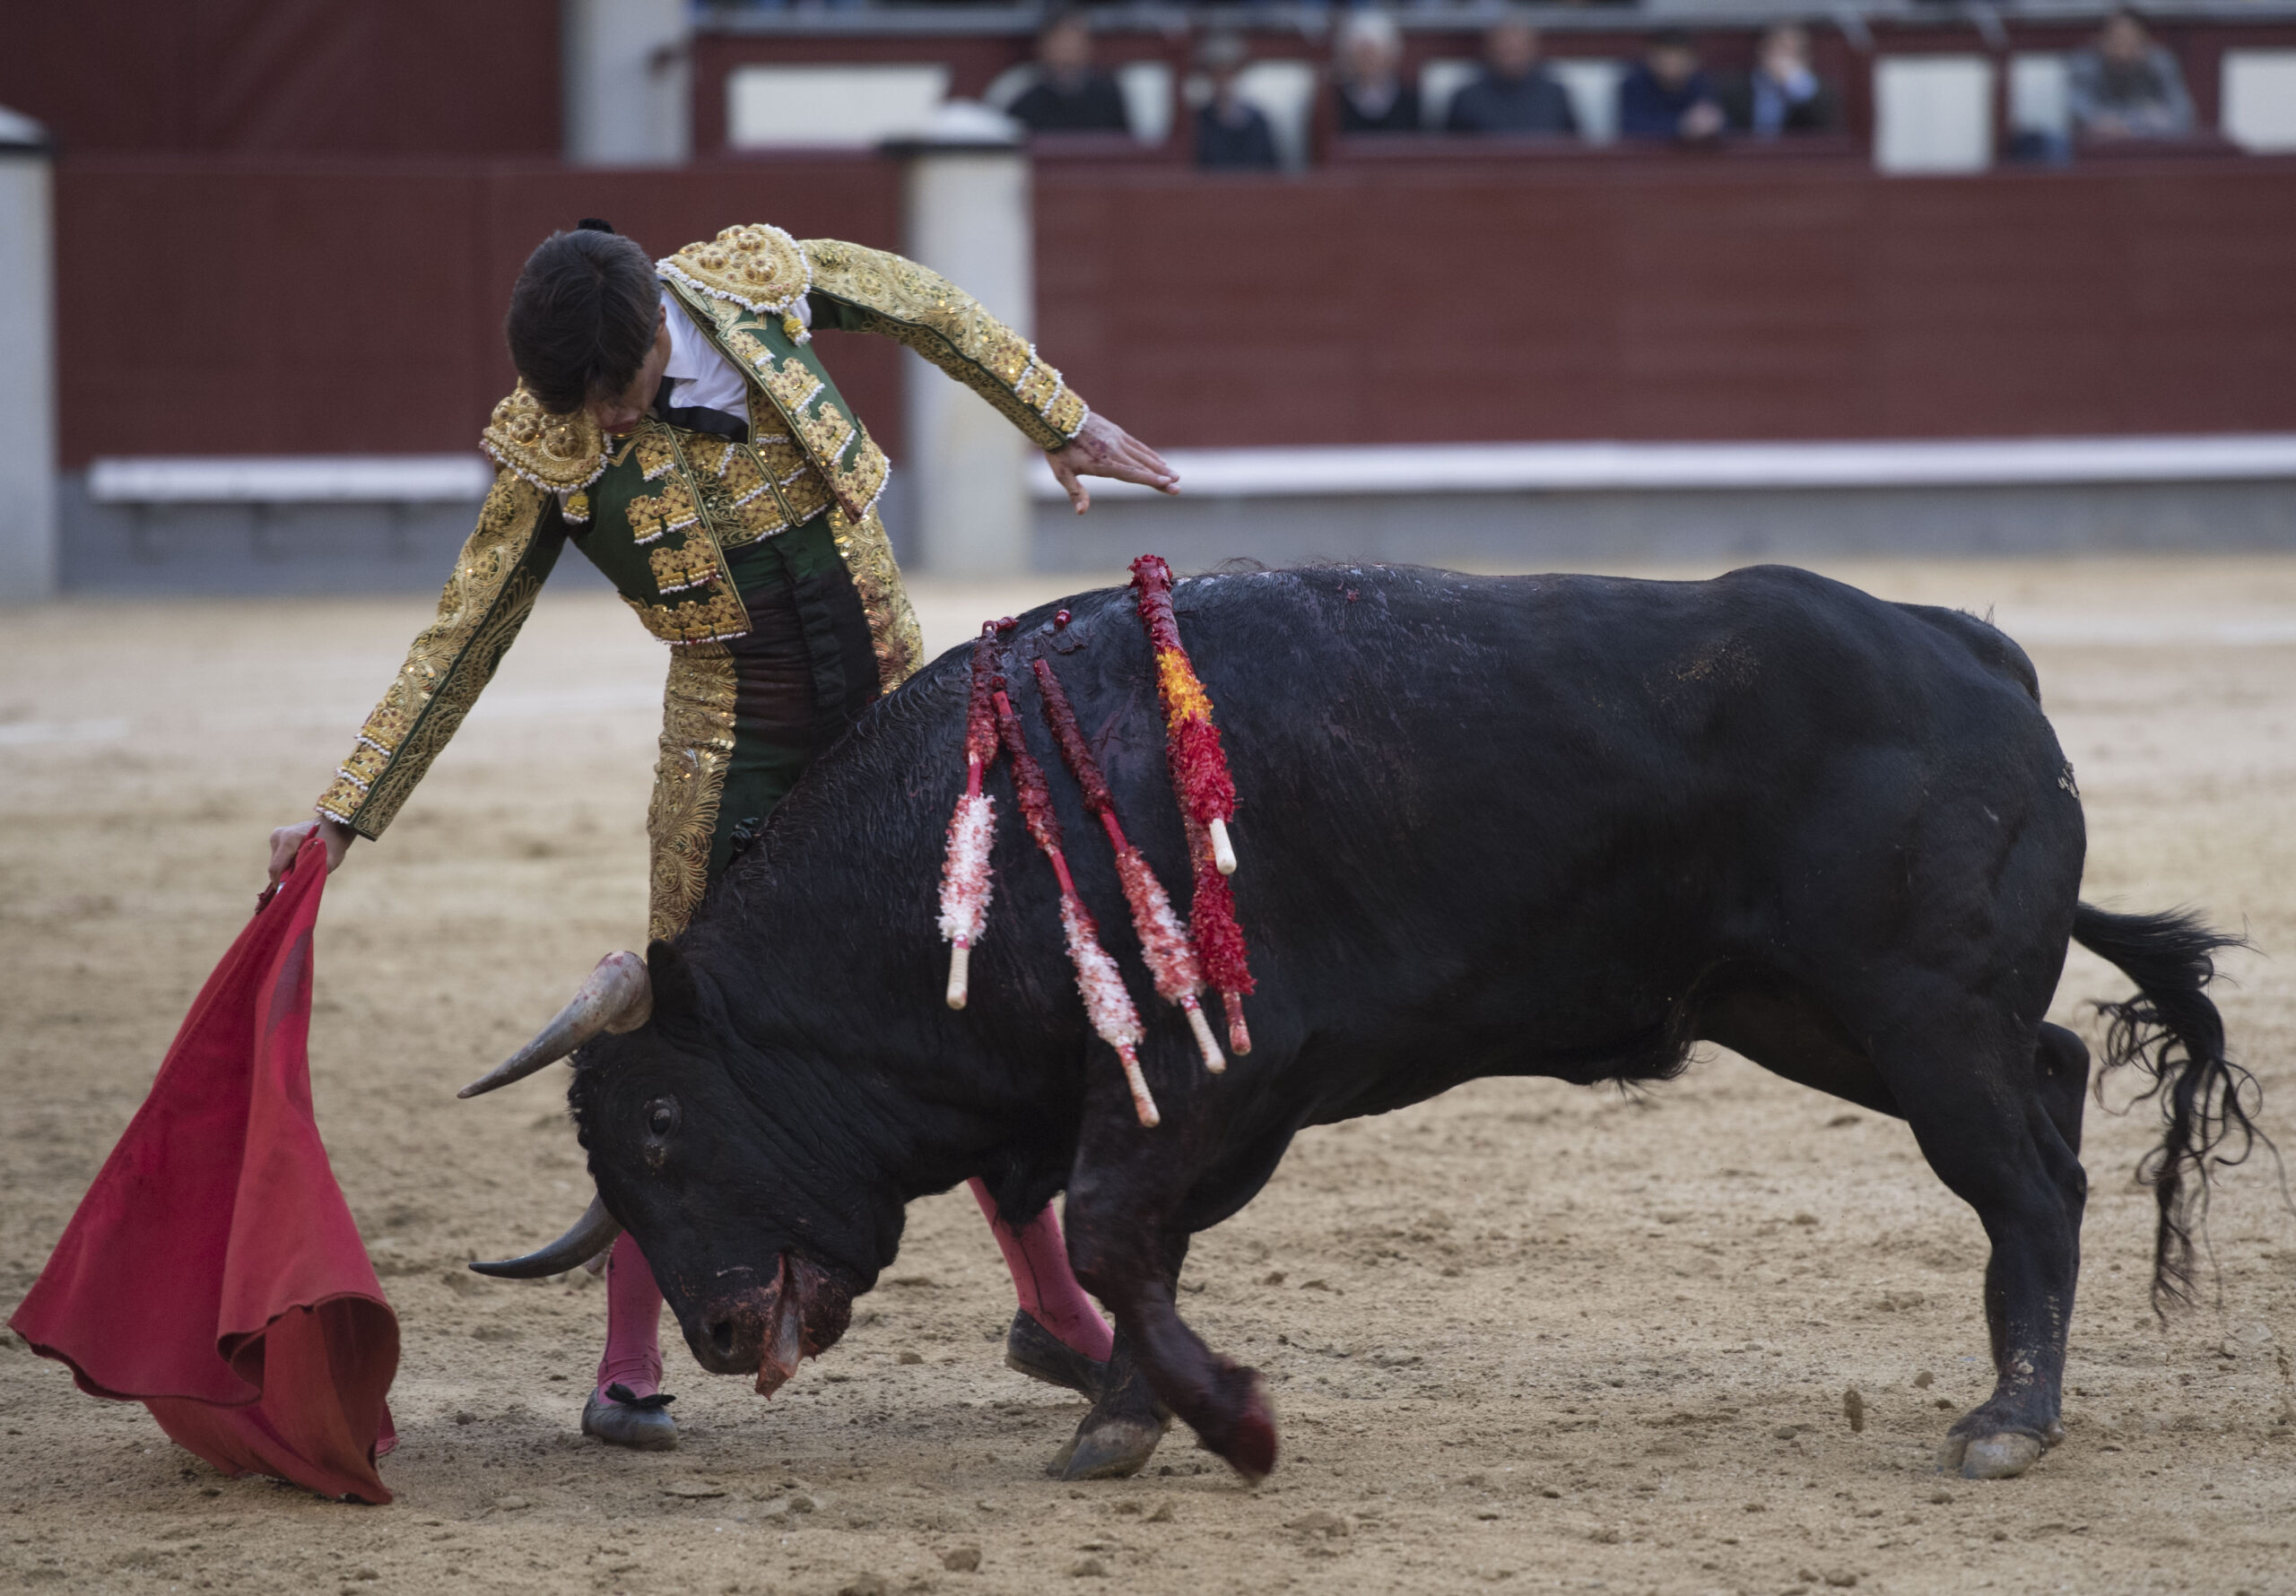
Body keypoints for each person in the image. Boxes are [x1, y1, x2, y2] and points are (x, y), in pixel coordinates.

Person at [267, 219, 1178, 1451]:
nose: (610, 430)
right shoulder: (552, 448)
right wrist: (340, 816)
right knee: (668, 1040)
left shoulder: (757, 287)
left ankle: (1057, 1311)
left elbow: (921, 303)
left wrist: (1054, 415)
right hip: (730, 748)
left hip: (898, 721)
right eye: (582, 411)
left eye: (621, 397)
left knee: (960, 1004)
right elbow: (462, 639)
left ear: (657, 335)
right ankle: (627, 1359)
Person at [2069, 9, 2195, 140]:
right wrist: (2098, 121)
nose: (2123, 47)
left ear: (2145, 41)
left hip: (2150, 149)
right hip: (2098, 148)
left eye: (2130, 39)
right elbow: (2074, 109)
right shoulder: (2085, 65)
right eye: (2116, 38)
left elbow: (2184, 114)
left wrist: (2154, 121)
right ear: (2101, 40)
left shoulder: (2160, 63)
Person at [1444, 18, 1578, 137]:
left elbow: (1576, 148)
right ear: (1490, 49)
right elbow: (1447, 152)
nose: (1511, 55)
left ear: (1533, 49)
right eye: (1505, 48)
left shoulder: (1555, 96)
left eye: (1518, 49)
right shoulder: (1466, 98)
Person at [1007, 13, 1133, 134]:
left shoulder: (1108, 97)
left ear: (1089, 48)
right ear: (1042, 48)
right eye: (1061, 48)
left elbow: (1123, 148)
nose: (1068, 58)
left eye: (1075, 47)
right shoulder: (1025, 103)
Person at [1718, 22, 1836, 138]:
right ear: (1762, 49)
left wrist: (1795, 83)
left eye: (1798, 52)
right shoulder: (1731, 89)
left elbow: (1825, 129)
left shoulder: (1822, 93)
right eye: (1782, 49)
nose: (1788, 59)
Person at [1618, 28, 1726, 143]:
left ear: (1693, 60)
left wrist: (1713, 124)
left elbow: (1727, 127)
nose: (1672, 65)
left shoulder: (1702, 84)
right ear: (1651, 58)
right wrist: (1682, 127)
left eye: (1679, 58)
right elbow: (1631, 128)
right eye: (1666, 58)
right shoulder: (1634, 85)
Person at [1195, 32, 1281, 169]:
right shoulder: (1198, 122)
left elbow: (1273, 171)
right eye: (1217, 73)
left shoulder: (1258, 123)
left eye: (1229, 72)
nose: (1223, 80)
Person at [1334, 10, 1421, 135]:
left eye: (1375, 53)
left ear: (1391, 55)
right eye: (1363, 54)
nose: (1370, 62)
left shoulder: (1412, 99)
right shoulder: (1335, 101)